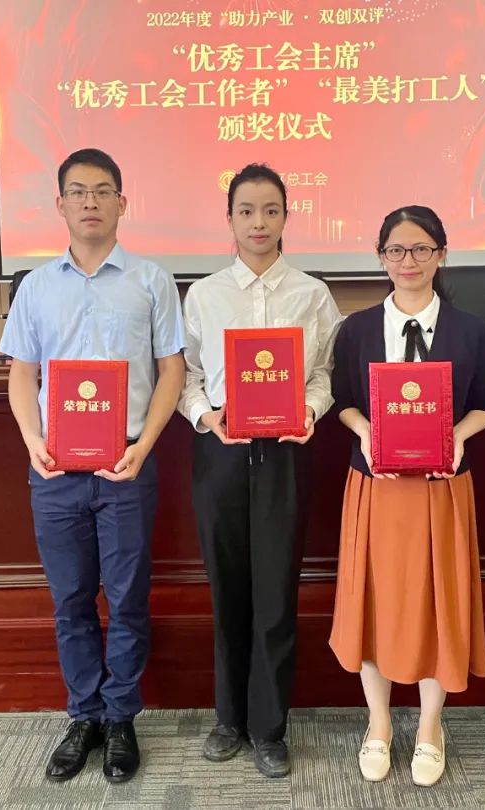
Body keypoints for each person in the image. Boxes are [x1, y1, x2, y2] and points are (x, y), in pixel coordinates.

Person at [0, 148, 186, 784]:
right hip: (55, 471)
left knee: (127, 597)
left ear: (121, 203)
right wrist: (32, 439)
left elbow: (172, 371)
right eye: (77, 192)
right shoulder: (35, 286)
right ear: (59, 204)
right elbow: (21, 373)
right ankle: (84, 716)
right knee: (71, 599)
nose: (90, 202)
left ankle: (121, 716)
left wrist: (145, 446)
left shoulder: (152, 280)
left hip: (127, 466)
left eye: (102, 191)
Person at [177, 163, 342, 778]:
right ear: (229, 219)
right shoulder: (204, 294)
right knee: (226, 591)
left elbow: (324, 374)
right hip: (221, 452)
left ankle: (270, 727)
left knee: (275, 594)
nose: (259, 222)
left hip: (285, 455)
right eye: (246, 210)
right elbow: (187, 375)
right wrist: (205, 415)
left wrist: (310, 410)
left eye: (271, 210)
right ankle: (228, 718)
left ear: (286, 217)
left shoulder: (312, 294)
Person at [328, 205, 485, 786]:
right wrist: (364, 431)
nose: (409, 261)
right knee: (374, 601)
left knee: (436, 602)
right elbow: (343, 400)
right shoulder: (356, 329)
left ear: (441, 254)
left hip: (441, 489)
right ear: (381, 258)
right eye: (397, 250)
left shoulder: (470, 330)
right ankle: (378, 723)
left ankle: (429, 726)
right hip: (376, 488)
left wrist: (458, 436)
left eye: (422, 248)